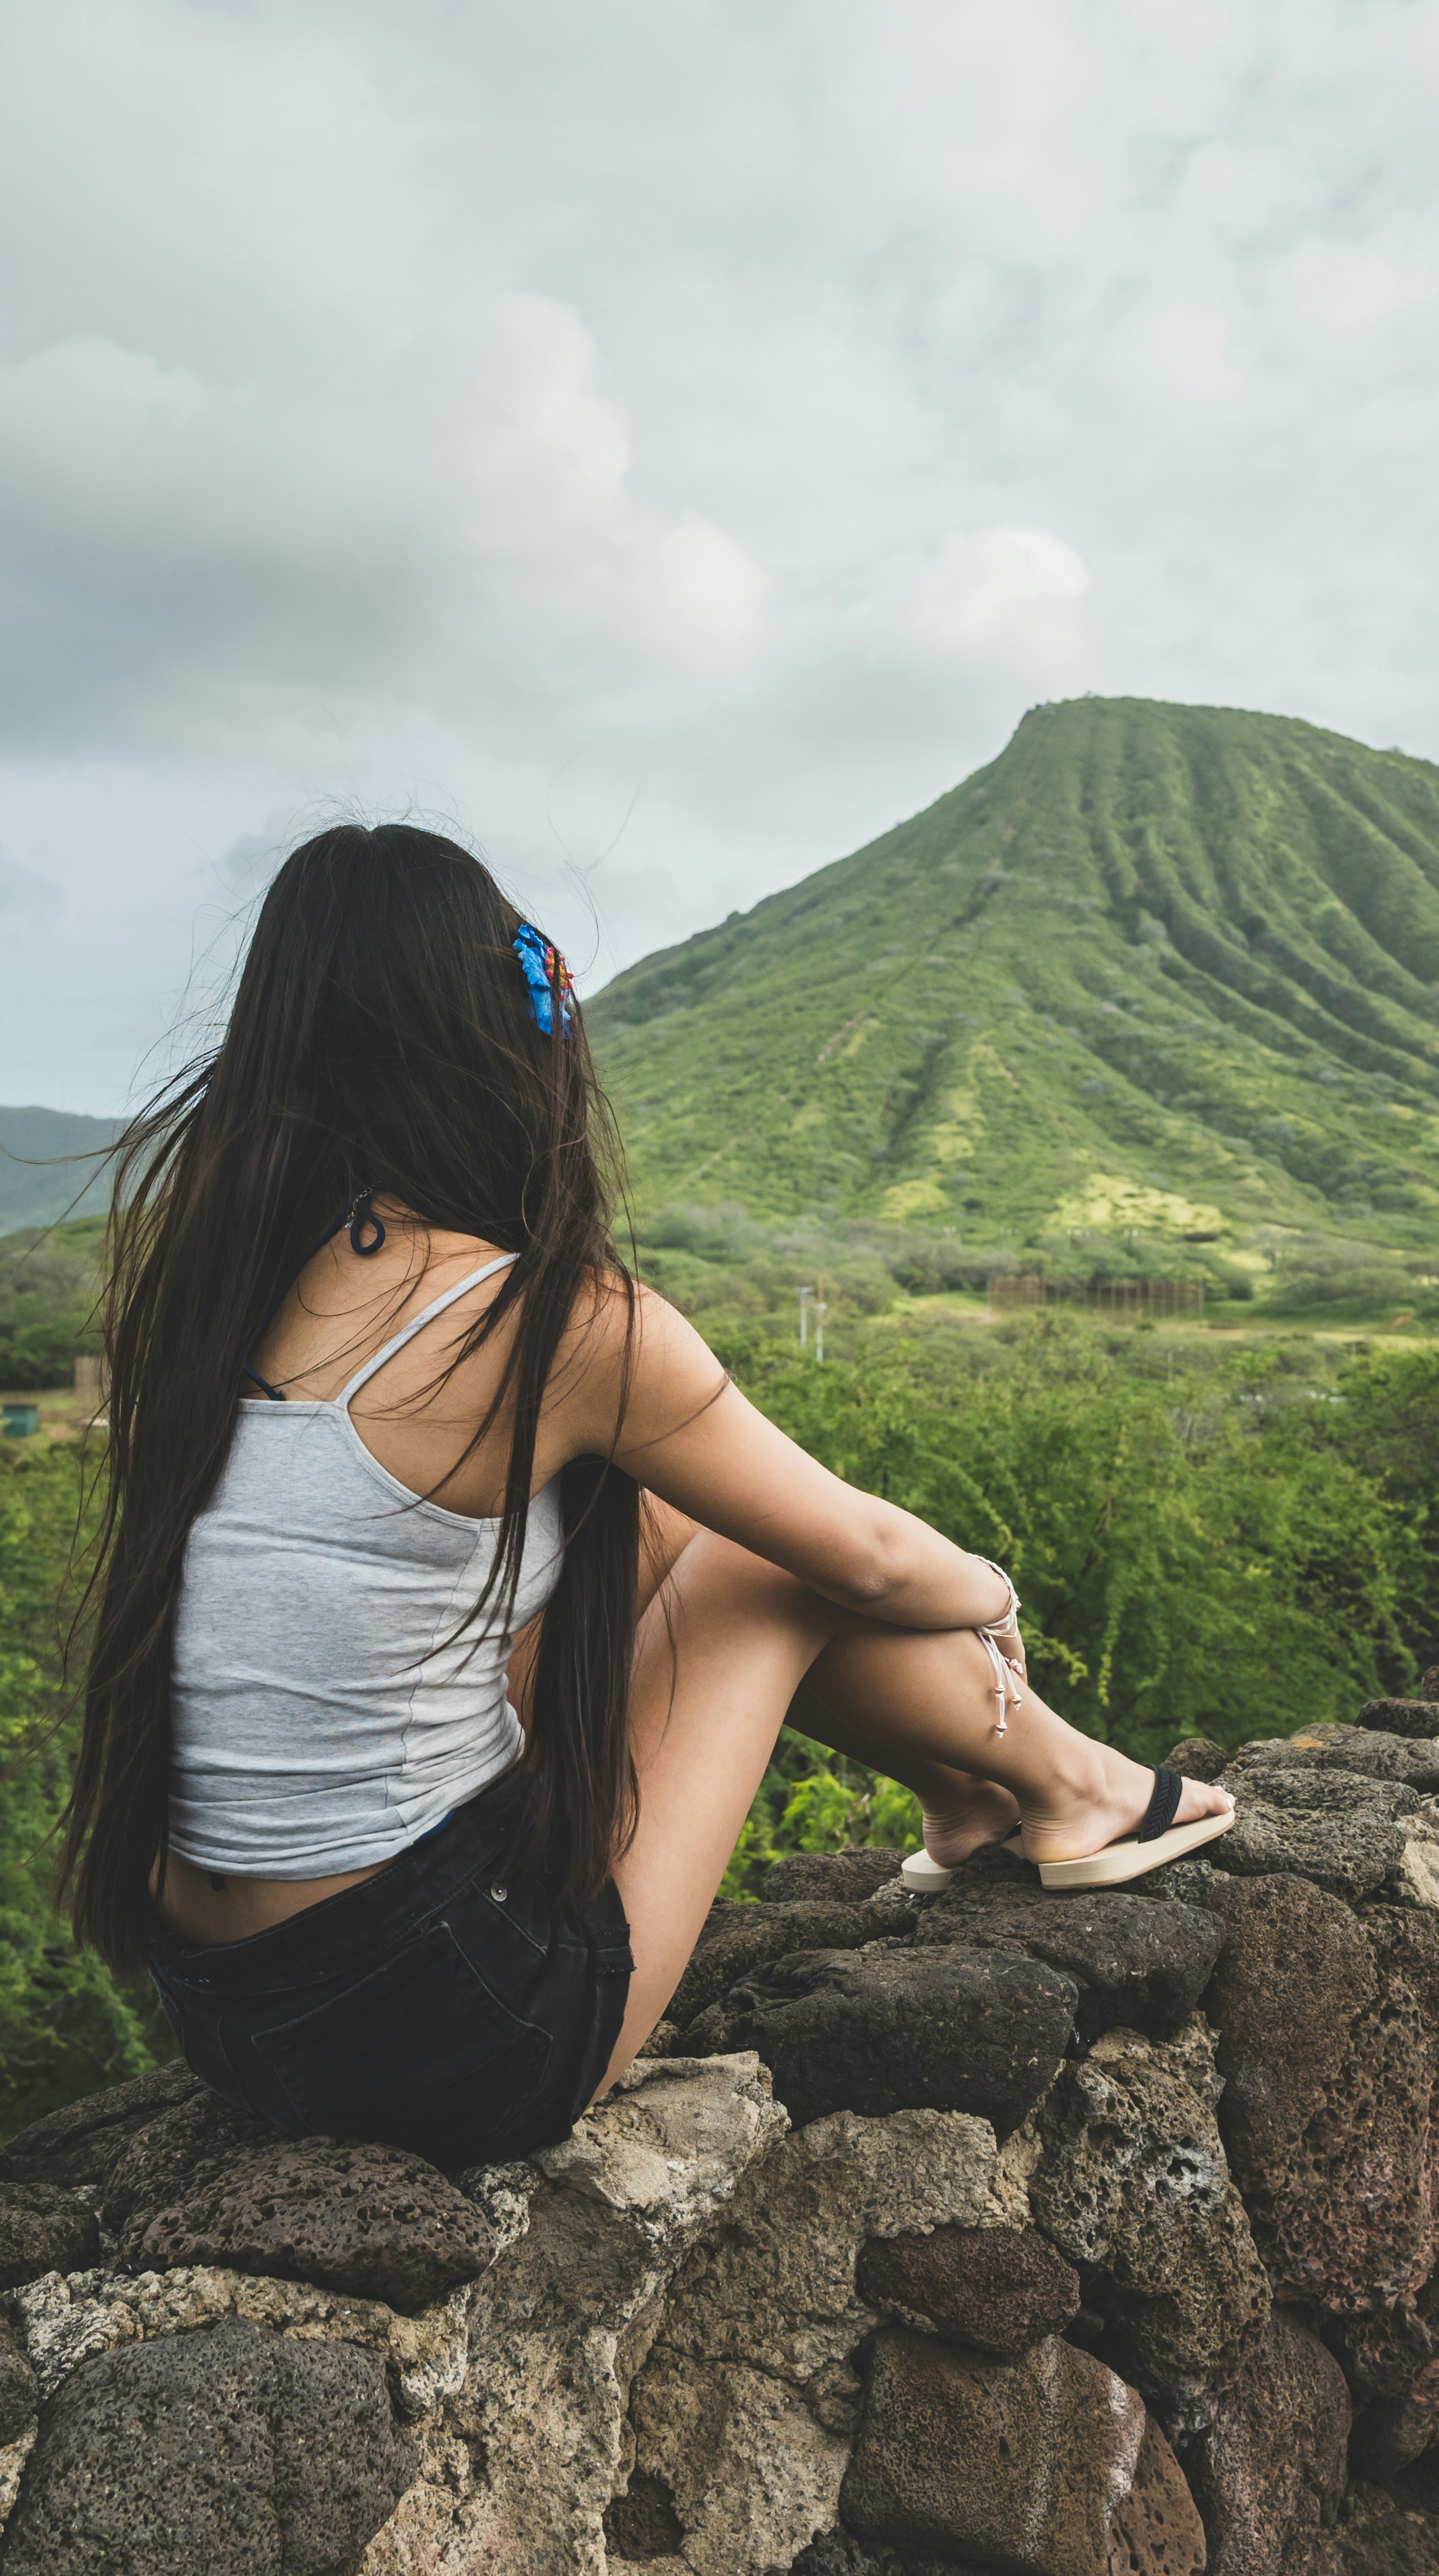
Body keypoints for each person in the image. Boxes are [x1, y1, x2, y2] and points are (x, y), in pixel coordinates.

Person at [60, 824, 1233, 2172]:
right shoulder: (546, 1312)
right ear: (500, 1034)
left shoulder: (212, 1304)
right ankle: (1076, 1782)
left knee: (652, 1521)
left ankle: (974, 1795)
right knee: (759, 1563)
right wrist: (992, 1592)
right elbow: (857, 1552)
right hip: (453, 2026)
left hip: (232, 2012)